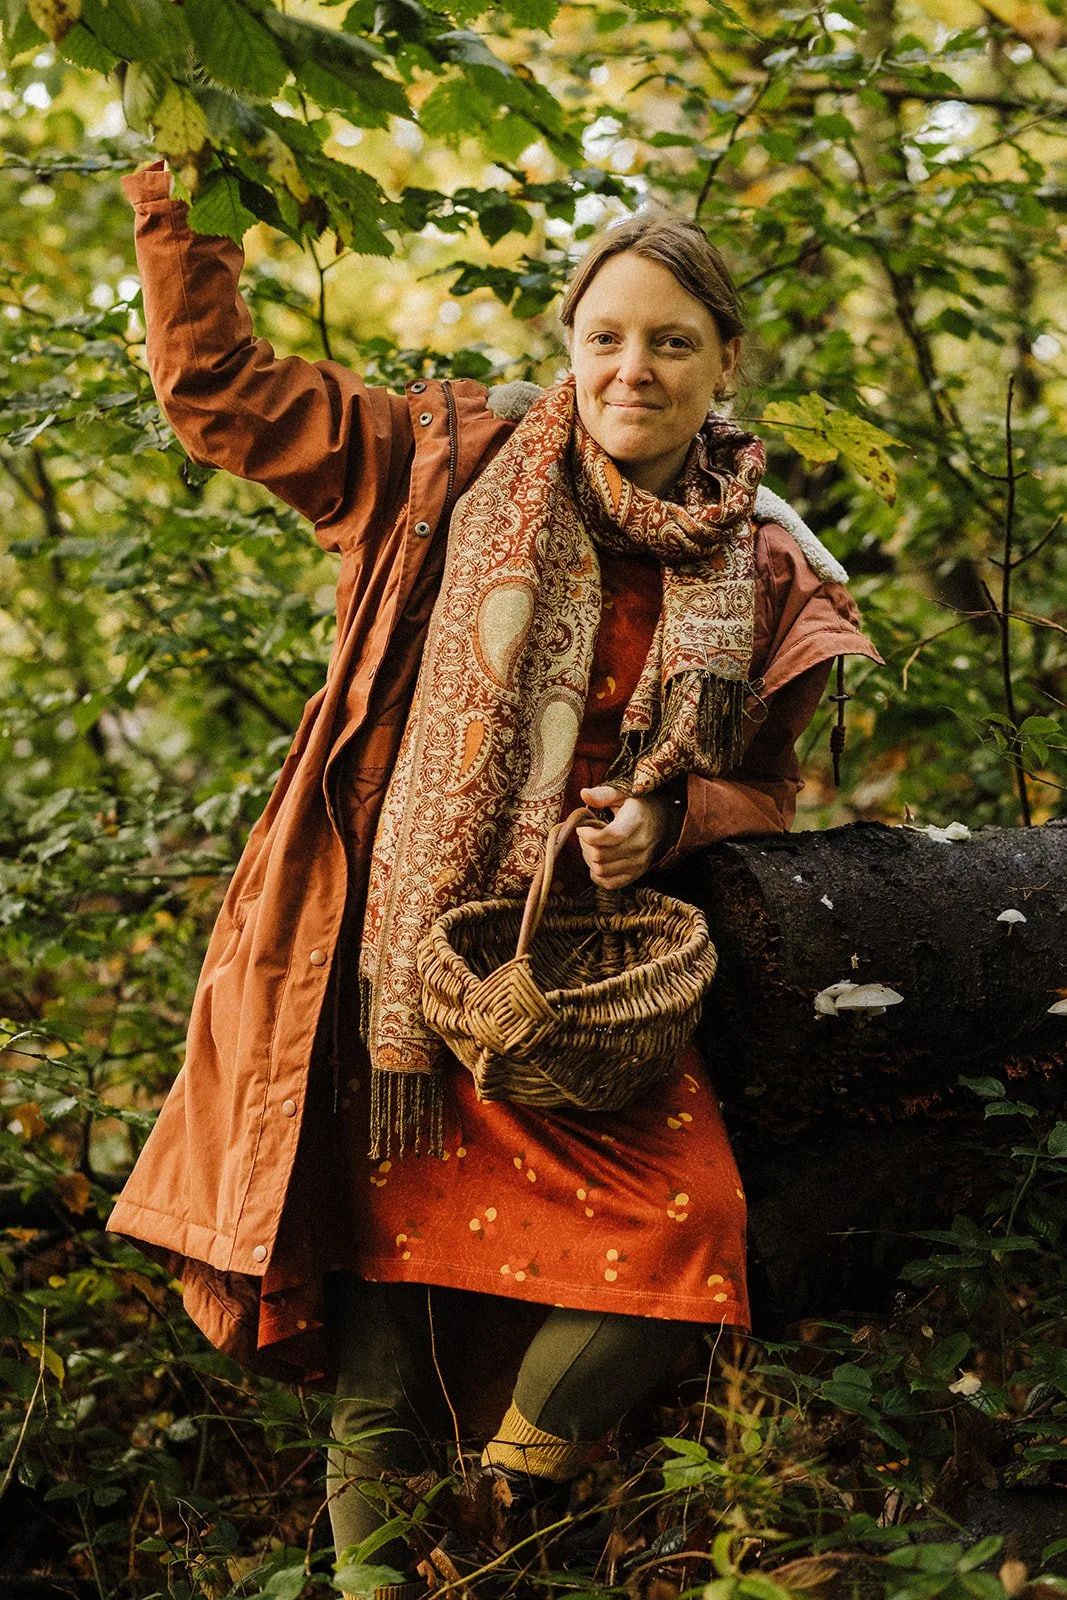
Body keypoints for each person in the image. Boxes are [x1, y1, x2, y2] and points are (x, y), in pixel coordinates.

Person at [108, 163, 881, 1597]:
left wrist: (669, 827)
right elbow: (214, 388)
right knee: (388, 1327)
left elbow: (765, 793)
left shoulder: (764, 558)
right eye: (604, 337)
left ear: (723, 364)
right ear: (565, 350)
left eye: (668, 342)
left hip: (597, 993)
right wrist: (181, 195)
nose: (630, 369)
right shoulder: (436, 463)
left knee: (686, 1235)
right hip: (404, 981)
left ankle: (491, 1503)